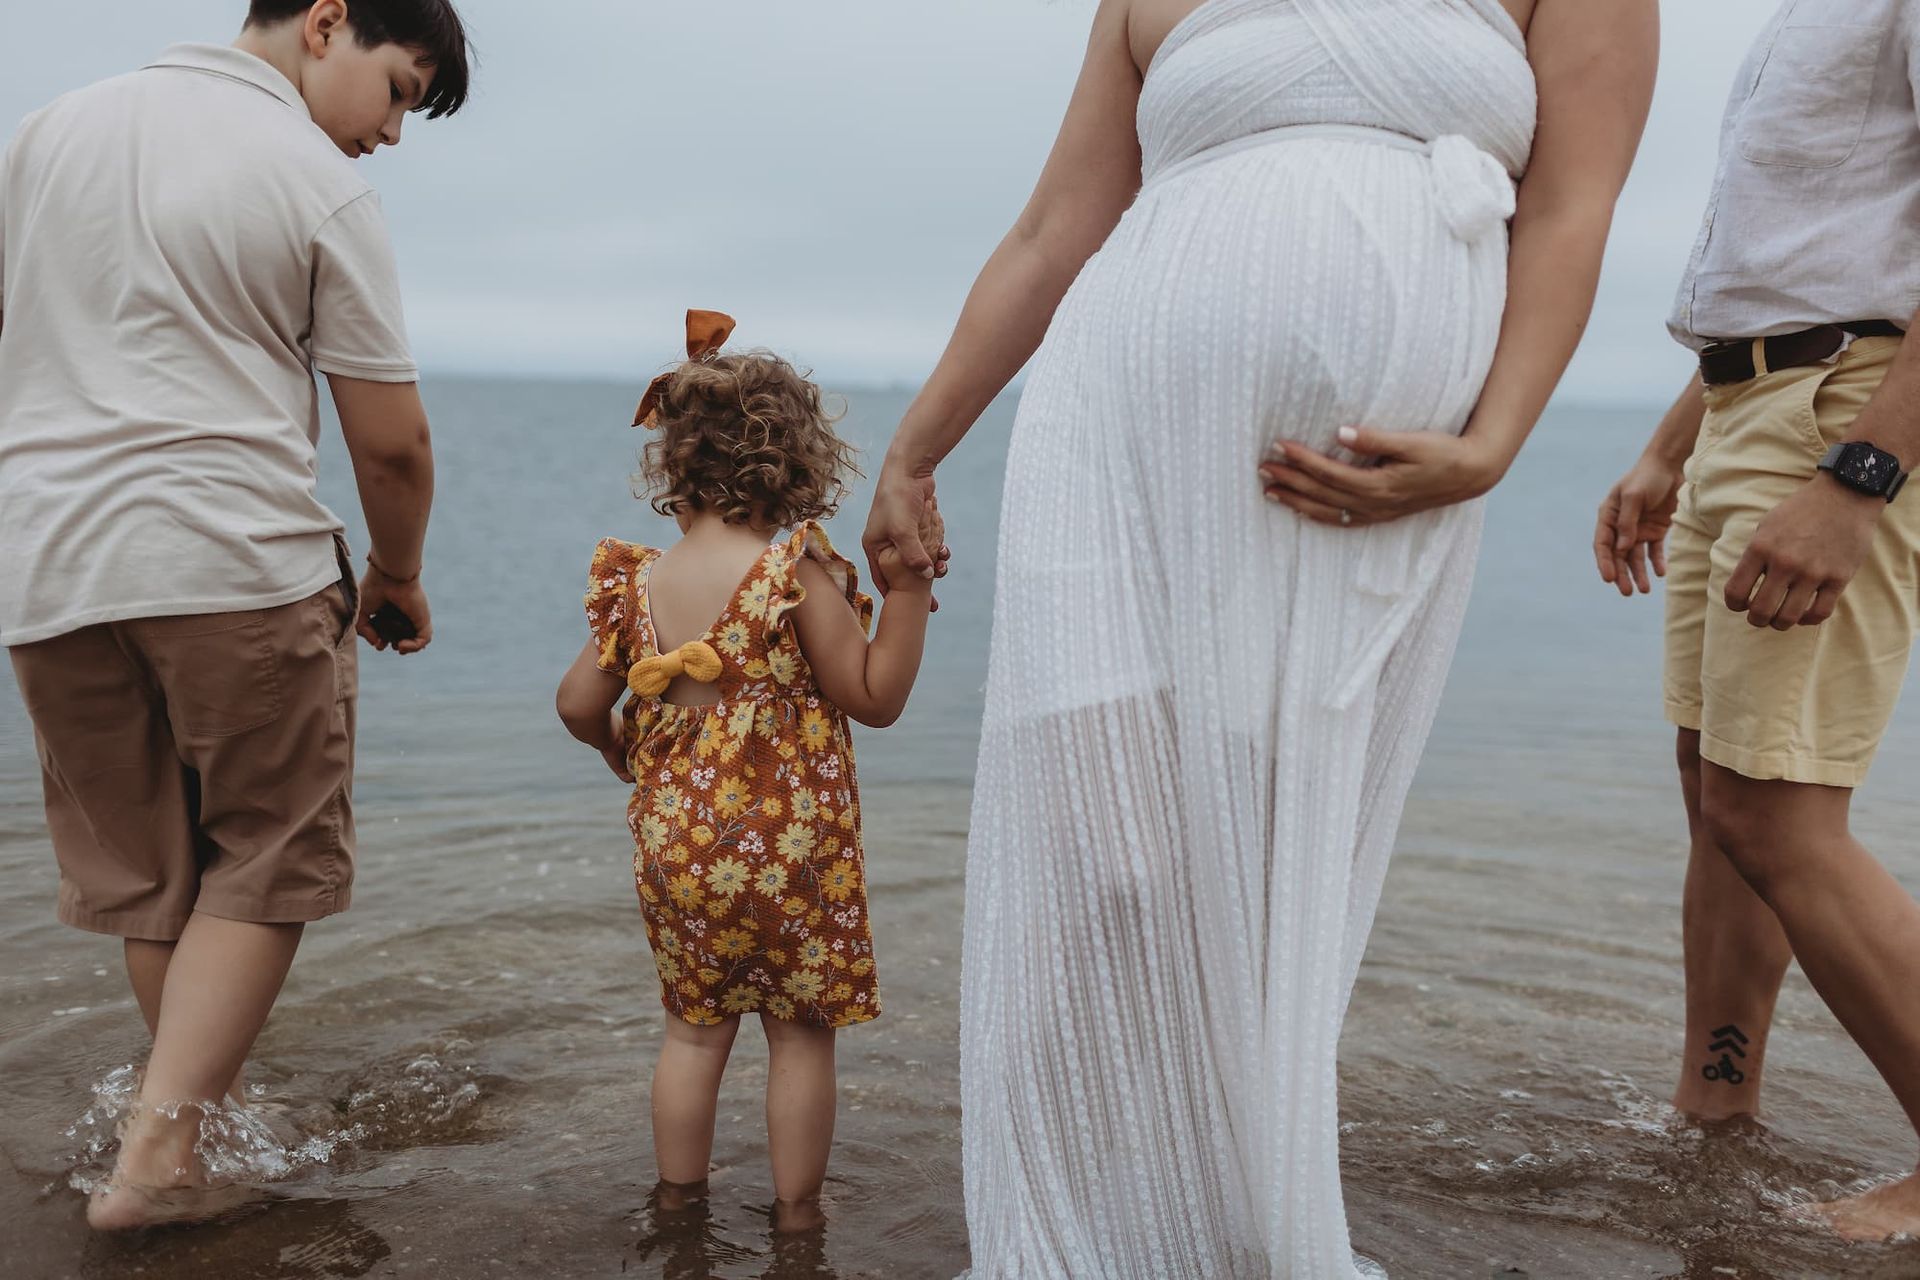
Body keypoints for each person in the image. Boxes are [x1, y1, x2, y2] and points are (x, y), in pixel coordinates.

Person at [861, 0, 1655, 1273]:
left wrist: (1495, 442)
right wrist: (915, 446)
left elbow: (1572, 206)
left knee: (1280, 838)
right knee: (1098, 833)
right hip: (1110, 420)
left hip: (1369, 477)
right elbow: (1051, 230)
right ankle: (1080, 1230)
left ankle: (1232, 1219)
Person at [0, 0, 470, 1230]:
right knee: (265, 859)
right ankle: (161, 1157)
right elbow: (393, 439)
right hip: (231, 555)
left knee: (155, 872)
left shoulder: (46, 131)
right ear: (327, 21)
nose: (394, 134)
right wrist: (399, 573)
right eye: (403, 90)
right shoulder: (310, 174)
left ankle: (190, 1124)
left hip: (50, 571)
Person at [1596, 0, 1920, 1243]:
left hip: (1844, 419)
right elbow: (1804, 260)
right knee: (1716, 788)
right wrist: (1672, 443)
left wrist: (1863, 476)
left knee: (1774, 809)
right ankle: (1714, 1108)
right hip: (1752, 408)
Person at [556, 310, 943, 1228]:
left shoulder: (639, 583)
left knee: (693, 1033)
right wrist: (912, 593)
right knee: (800, 1037)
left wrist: (617, 744)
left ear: (674, 467)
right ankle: (797, 1218)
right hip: (788, 847)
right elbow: (873, 695)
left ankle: (678, 1203)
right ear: (798, 465)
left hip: (677, 842)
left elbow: (578, 703)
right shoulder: (789, 574)